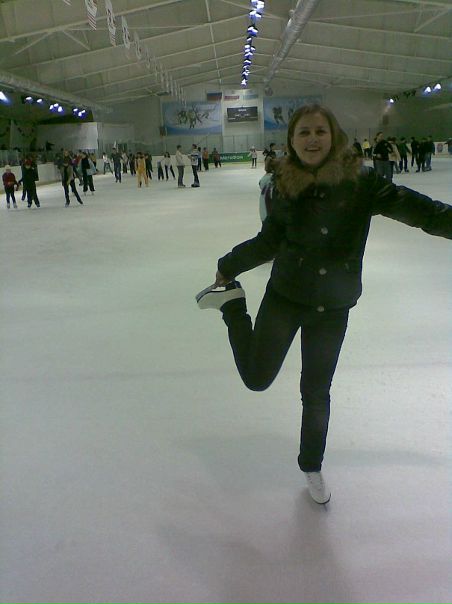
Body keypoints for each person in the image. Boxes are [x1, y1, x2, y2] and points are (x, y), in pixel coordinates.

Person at [195, 104, 452, 505]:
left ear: (333, 136)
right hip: (285, 297)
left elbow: (423, 212)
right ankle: (231, 305)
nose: (312, 139)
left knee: (316, 392)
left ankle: (311, 465)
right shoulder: (283, 185)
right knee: (257, 378)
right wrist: (228, 266)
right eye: (304, 132)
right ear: (292, 140)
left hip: (332, 308)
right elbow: (269, 240)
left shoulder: (362, 182)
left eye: (320, 131)